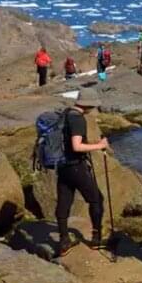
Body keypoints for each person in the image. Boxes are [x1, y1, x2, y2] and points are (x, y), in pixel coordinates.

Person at [56, 89, 109, 257]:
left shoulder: (65, 114)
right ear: (89, 104)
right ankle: (96, 238)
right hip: (76, 167)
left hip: (62, 166)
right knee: (96, 199)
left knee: (64, 203)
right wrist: (100, 146)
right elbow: (77, 146)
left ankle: (64, 241)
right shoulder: (78, 119)